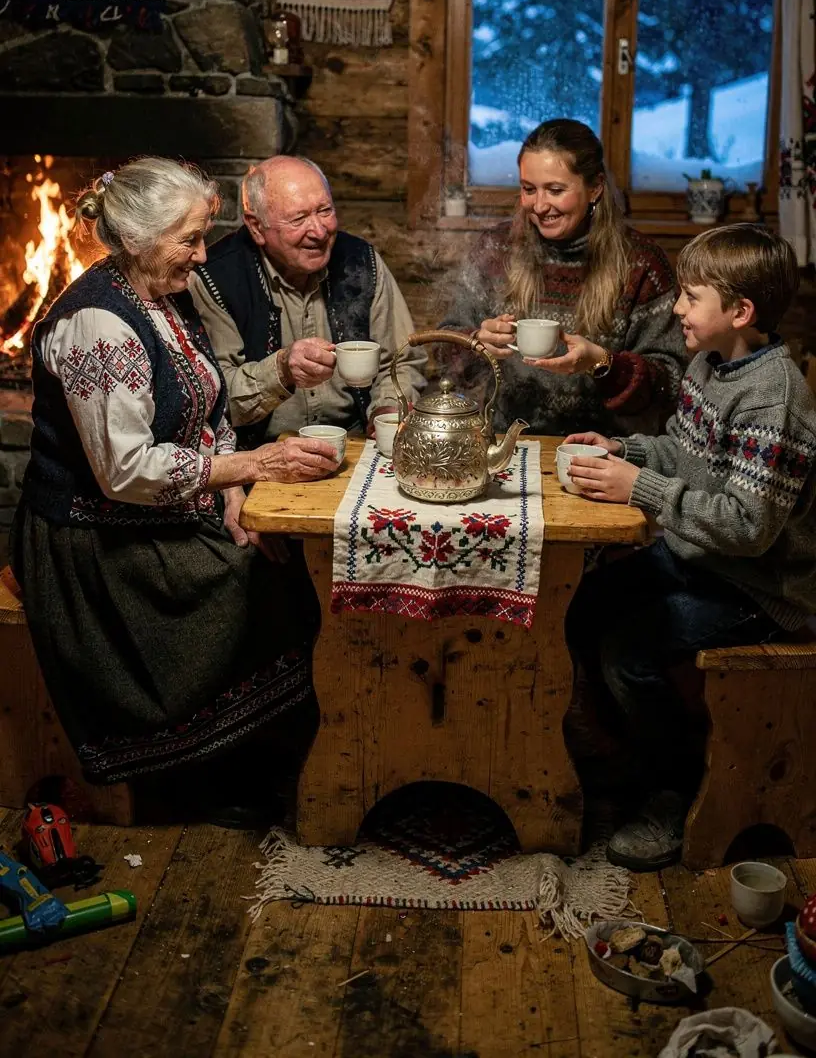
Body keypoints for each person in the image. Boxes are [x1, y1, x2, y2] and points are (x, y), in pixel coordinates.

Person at [12, 158, 342, 825]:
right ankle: (192, 773)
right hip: (91, 539)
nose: (202, 253)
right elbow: (127, 471)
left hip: (163, 511)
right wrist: (253, 468)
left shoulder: (166, 295)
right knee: (243, 583)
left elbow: (210, 412)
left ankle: (260, 757)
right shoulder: (98, 325)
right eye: (189, 239)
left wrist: (235, 497)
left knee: (285, 560)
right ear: (137, 241)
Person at [564, 223, 816, 870]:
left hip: (761, 586)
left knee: (630, 652)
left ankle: (671, 794)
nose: (677, 308)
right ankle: (618, 752)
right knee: (583, 601)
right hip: (700, 556)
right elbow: (685, 452)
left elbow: (747, 528)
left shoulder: (775, 399)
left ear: (741, 312)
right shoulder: (712, 362)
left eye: (690, 296)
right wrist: (628, 450)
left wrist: (639, 487)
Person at [442, 119, 686, 437]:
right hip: (507, 442)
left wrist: (604, 364)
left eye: (556, 190)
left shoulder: (640, 263)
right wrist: (477, 341)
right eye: (528, 189)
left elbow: (672, 381)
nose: (540, 206)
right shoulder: (496, 249)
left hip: (604, 453)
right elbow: (445, 346)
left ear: (595, 187)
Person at [189, 155, 426, 447]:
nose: (319, 231)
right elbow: (215, 397)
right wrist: (282, 370)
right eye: (299, 219)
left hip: (356, 441)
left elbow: (403, 359)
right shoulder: (216, 278)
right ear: (256, 227)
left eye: (325, 211)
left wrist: (388, 408)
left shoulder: (361, 261)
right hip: (260, 454)